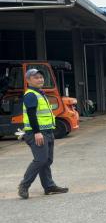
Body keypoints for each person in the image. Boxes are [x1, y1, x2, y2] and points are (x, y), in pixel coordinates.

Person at [17, 68, 69, 199]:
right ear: (28, 80)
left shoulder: (40, 93)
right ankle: (24, 186)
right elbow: (31, 115)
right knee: (40, 160)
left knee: (47, 160)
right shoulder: (31, 95)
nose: (40, 79)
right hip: (37, 133)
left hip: (47, 131)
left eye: (41, 77)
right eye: (36, 77)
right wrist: (37, 132)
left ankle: (49, 186)